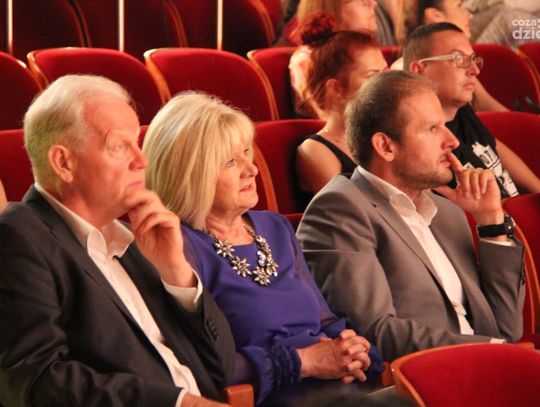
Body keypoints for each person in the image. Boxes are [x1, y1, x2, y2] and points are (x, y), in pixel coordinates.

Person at [0, 75, 236, 407]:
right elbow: (36, 381)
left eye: (137, 142)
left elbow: (222, 368)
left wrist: (176, 272)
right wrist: (179, 404)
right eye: (120, 146)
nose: (142, 161)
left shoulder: (134, 239)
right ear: (64, 163)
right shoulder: (18, 236)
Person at [142, 91, 383, 405]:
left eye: (247, 152)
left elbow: (323, 320)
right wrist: (305, 361)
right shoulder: (175, 247)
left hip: (339, 392)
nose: (251, 169)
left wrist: (354, 347)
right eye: (230, 162)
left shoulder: (274, 227)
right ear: (190, 175)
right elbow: (200, 367)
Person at [297, 70, 525, 361]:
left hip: (485, 365)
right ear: (386, 146)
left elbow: (507, 328)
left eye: (445, 126)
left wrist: (491, 222)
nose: (453, 141)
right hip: (419, 378)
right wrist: (490, 350)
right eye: (432, 129)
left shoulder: (447, 211)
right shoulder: (339, 209)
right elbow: (374, 331)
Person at [403, 22, 540, 195]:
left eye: (473, 59)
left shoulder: (461, 110)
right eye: (459, 59)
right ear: (418, 70)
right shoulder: (420, 145)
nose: (474, 70)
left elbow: (493, 146)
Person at [295, 13, 388, 194]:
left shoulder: (385, 136)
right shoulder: (315, 150)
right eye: (373, 76)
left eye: (386, 72)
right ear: (336, 88)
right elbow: (350, 207)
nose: (385, 82)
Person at [396, 0, 507, 112]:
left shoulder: (464, 75)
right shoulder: (402, 76)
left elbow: (505, 118)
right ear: (435, 15)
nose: (470, 15)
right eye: (459, 6)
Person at [288, 0, 379, 118]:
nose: (373, 3)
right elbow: (327, 120)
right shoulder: (307, 59)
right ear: (332, 9)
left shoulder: (370, 50)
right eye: (361, 0)